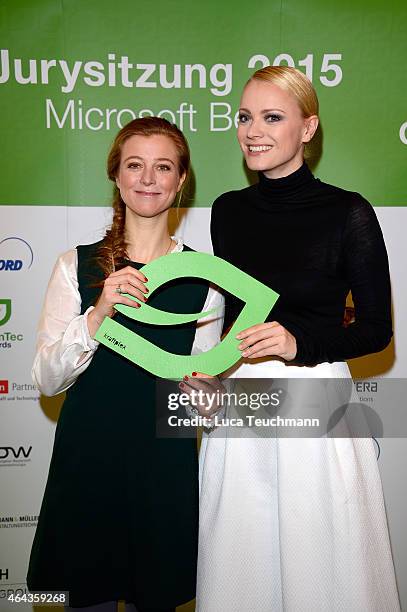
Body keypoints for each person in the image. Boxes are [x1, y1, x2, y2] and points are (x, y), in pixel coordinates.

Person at [189, 67, 401, 611]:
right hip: (242, 402)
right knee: (242, 562)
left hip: (316, 401)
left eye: (272, 117)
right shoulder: (228, 213)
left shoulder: (348, 212)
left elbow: (377, 331)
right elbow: (232, 315)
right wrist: (209, 367)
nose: (252, 130)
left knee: (323, 568)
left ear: (307, 129)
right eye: (244, 117)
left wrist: (297, 344)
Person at [27, 117, 223, 612]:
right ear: (116, 175)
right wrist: (98, 315)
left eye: (163, 167)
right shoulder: (77, 264)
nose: (148, 179)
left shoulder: (205, 278)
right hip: (87, 464)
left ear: (181, 181)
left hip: (164, 471)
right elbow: (47, 379)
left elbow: (208, 404)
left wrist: (205, 391)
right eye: (135, 165)